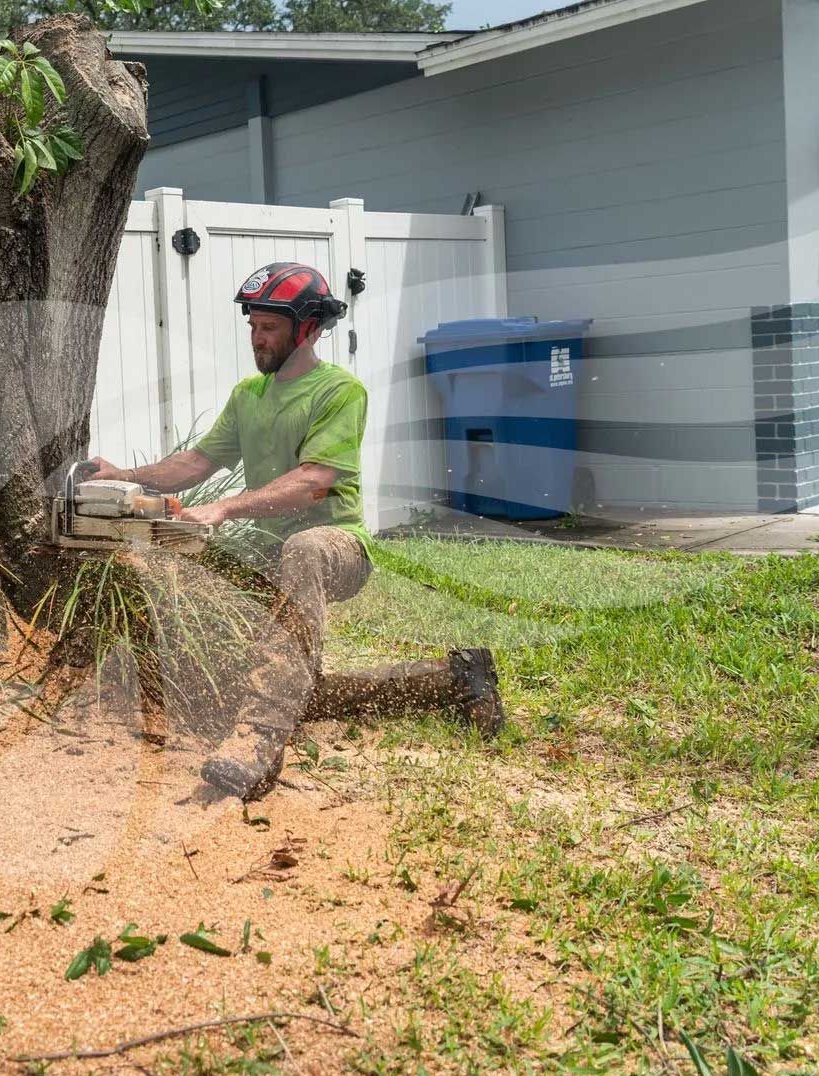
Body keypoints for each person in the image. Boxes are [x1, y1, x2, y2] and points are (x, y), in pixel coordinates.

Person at [86, 262, 505, 800]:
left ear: (307, 329)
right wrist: (124, 476)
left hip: (336, 547)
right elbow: (196, 461)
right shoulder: (249, 395)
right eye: (253, 327)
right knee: (280, 677)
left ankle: (259, 741)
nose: (257, 339)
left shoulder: (340, 391)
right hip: (266, 549)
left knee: (302, 551)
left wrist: (223, 509)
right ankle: (452, 679)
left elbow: (314, 484)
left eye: (269, 329)